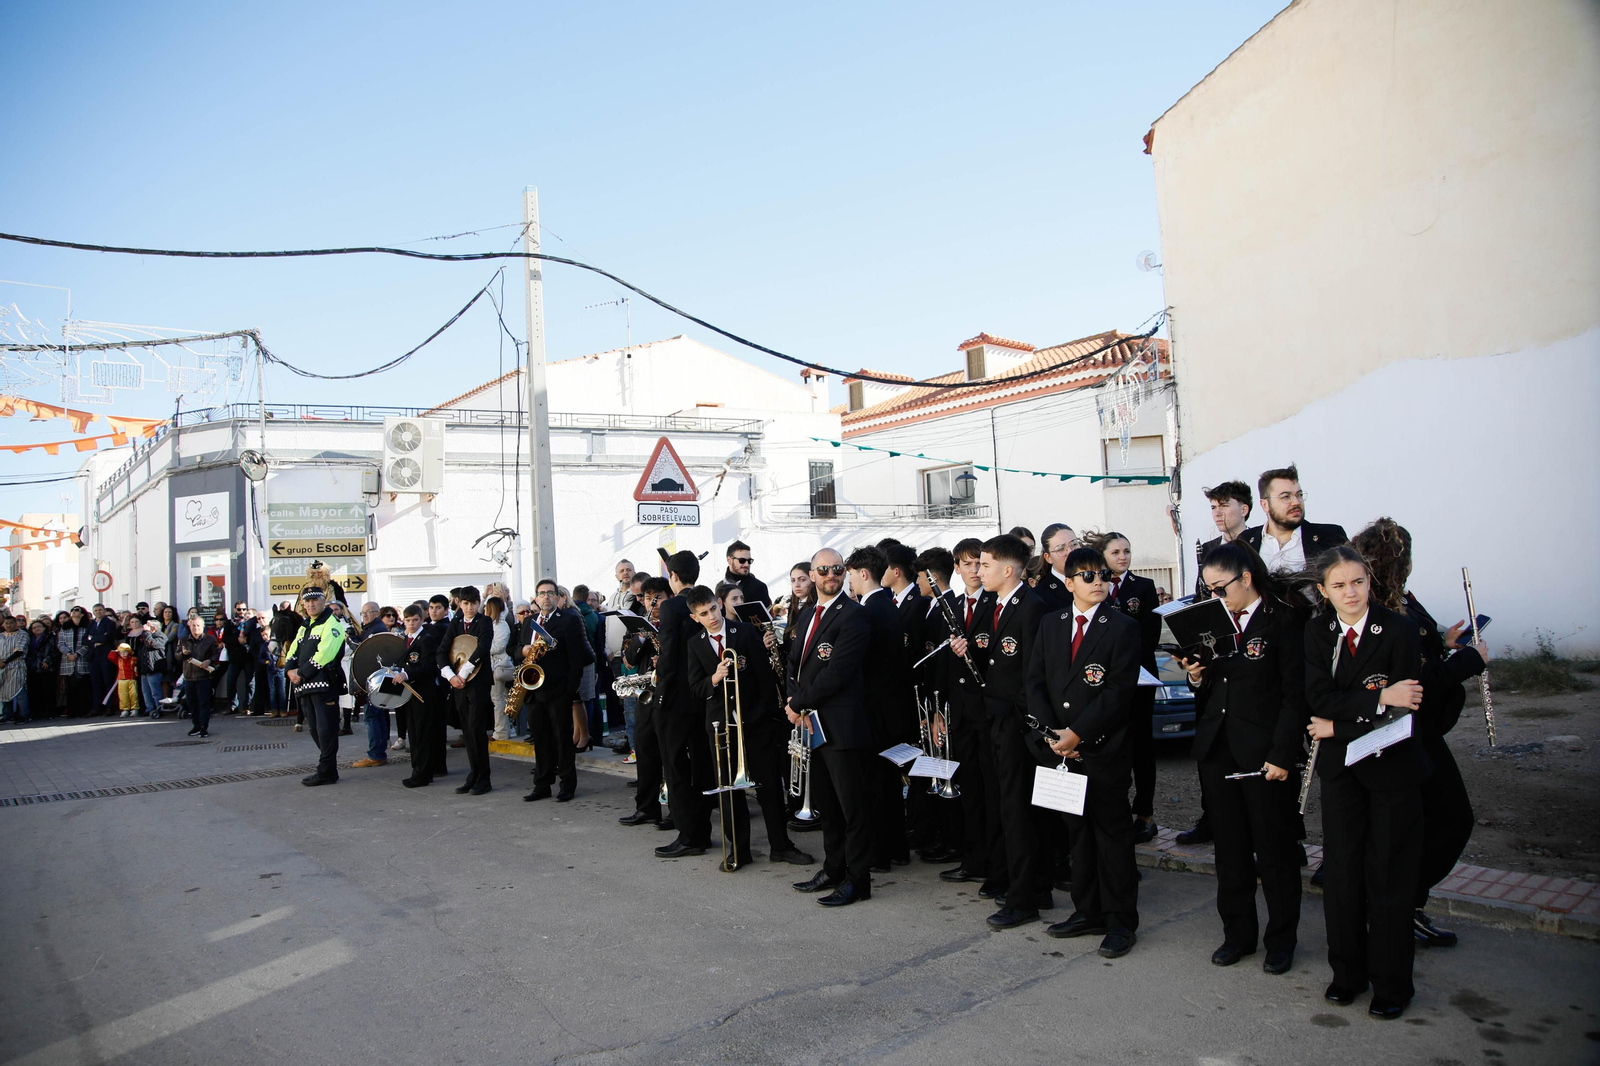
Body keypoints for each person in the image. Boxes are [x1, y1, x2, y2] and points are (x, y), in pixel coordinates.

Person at [1352, 518, 1487, 950]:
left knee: (1424, 823)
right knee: (1451, 819)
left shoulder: (1401, 600)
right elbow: (1417, 681)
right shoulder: (1385, 610)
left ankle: (1404, 903)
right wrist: (1467, 661)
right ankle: (1399, 904)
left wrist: (1447, 641)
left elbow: (1423, 649)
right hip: (1408, 733)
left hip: (1420, 732)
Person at [1304, 545, 1426, 1020]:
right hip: (1342, 773)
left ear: (1369, 581)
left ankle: (1392, 985)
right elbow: (1316, 697)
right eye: (1338, 585)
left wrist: (1340, 723)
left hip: (1392, 768)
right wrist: (1376, 698)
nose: (1350, 593)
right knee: (1343, 876)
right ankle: (1347, 974)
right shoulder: (1317, 632)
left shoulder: (1399, 630)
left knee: (1389, 878)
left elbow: (1408, 705)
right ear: (1323, 590)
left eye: (1357, 582)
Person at [1179, 541, 1308, 974]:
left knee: (1274, 851)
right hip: (1218, 749)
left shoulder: (1285, 622)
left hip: (1265, 755)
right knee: (1229, 851)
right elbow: (1215, 687)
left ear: (1246, 578)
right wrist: (1197, 676)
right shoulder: (1215, 623)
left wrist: (1283, 754)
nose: (1215, 597)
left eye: (1220, 588)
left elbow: (1295, 697)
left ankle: (1281, 941)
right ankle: (1238, 935)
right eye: (1209, 589)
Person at [1026, 544, 1143, 958]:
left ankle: (1120, 920)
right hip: (1059, 749)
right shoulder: (1051, 623)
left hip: (1102, 749)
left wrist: (1078, 733)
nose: (1099, 582)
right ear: (1069, 581)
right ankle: (1087, 910)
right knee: (1078, 835)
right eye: (1088, 576)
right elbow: (1035, 681)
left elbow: (1118, 692)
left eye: (1104, 576)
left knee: (1111, 835)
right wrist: (1053, 735)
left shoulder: (1122, 627)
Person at [952, 533, 1051, 929]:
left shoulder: (1032, 608)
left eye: (986, 565)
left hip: (1017, 723)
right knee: (1010, 807)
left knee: (1019, 811)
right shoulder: (996, 604)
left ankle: (1024, 896)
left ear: (1008, 570)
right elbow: (997, 660)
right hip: (995, 717)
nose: (978, 571)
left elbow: (1034, 673)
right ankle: (1028, 884)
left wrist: (1024, 721)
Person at [684, 584, 813, 871]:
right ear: (696, 618)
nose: (712, 617)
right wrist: (715, 678)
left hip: (754, 722)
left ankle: (781, 846)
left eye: (714, 609)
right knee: (730, 791)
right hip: (721, 728)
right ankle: (739, 850)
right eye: (704, 614)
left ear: (719, 604)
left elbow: (765, 678)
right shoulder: (695, 644)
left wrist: (767, 716)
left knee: (769, 787)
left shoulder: (743, 632)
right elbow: (694, 689)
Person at [786, 548, 875, 907]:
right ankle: (834, 868)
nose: (830, 574)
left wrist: (797, 703)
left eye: (837, 569)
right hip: (812, 724)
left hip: (841, 725)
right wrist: (796, 703)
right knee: (827, 804)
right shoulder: (808, 614)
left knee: (852, 807)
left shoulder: (853, 615)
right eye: (823, 569)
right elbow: (794, 664)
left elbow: (838, 671)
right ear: (812, 573)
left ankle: (858, 880)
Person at [933, 538, 1001, 890]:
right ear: (956, 569)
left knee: (993, 793)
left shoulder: (996, 603)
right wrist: (940, 713)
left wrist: (973, 647)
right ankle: (973, 859)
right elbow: (946, 665)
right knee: (969, 791)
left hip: (988, 713)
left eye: (979, 563)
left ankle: (995, 865)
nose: (974, 570)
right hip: (960, 713)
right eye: (967, 564)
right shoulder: (952, 605)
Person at [1091, 532, 1162, 845]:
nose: (1123, 557)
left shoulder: (1142, 588)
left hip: (1139, 679)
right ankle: (1113, 808)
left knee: (1142, 747)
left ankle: (1144, 813)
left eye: (1127, 551)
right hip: (1103, 682)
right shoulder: (1095, 586)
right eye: (1116, 552)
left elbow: (1149, 635)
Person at [846, 544, 914, 871]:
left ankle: (880, 853)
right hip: (891, 706)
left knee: (875, 784)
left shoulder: (869, 610)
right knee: (888, 781)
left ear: (862, 573)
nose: (848, 582)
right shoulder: (887, 604)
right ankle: (897, 847)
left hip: (875, 709)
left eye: (849, 574)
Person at [651, 552, 717, 856]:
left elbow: (668, 656)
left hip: (676, 699)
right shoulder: (709, 602)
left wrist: (660, 692)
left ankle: (688, 835)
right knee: (702, 766)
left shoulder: (672, 605)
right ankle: (702, 831)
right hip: (705, 694)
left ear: (673, 576)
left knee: (675, 766)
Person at [521, 578, 594, 803]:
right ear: (536, 597)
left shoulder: (568, 620)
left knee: (562, 739)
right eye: (541, 593)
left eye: (550, 593)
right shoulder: (529, 621)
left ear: (557, 597)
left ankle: (566, 785)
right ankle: (542, 784)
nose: (546, 597)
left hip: (558, 689)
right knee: (540, 739)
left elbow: (577, 658)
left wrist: (569, 689)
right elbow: (515, 650)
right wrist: (522, 650)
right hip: (533, 689)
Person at [618, 577, 671, 827]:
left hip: (669, 696)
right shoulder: (639, 624)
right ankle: (646, 808)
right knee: (646, 753)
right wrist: (641, 636)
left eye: (657, 597)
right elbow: (628, 658)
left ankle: (675, 810)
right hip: (645, 696)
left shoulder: (675, 622)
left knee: (671, 757)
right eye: (648, 597)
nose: (652, 602)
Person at [285, 587, 348, 786]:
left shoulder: (332, 623)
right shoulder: (305, 625)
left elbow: (325, 654)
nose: (311, 604)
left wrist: (300, 673)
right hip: (305, 686)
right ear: (303, 604)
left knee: (326, 729)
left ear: (324, 601)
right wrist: (289, 669)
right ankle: (328, 768)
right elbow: (293, 649)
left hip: (324, 685)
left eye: (315, 600)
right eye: (308, 601)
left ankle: (326, 770)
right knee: (313, 728)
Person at [439, 585, 496, 795]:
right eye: (466, 603)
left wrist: (462, 674)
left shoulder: (485, 622)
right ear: (459, 604)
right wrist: (450, 676)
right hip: (458, 685)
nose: (470, 607)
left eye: (473, 603)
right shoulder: (455, 623)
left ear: (479, 603)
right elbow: (442, 651)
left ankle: (484, 778)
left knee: (476, 729)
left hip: (478, 683)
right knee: (467, 730)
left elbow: (483, 647)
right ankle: (473, 775)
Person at [1241, 465, 1348, 574]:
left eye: (1299, 495)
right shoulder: (1245, 542)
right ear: (1265, 505)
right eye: (1286, 497)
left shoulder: (1331, 536)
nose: (1296, 502)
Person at [396, 604, 444, 787]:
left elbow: (428, 666)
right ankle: (418, 769)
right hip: (410, 692)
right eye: (408, 620)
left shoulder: (426, 639)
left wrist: (407, 674)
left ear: (422, 619)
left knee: (423, 734)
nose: (411, 623)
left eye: (415, 620)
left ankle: (422, 773)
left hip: (423, 692)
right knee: (414, 733)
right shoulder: (406, 639)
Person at [175, 616, 221, 737]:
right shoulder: (184, 640)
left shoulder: (209, 640)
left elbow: (216, 654)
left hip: (204, 677)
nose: (195, 628)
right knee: (191, 703)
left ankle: (203, 727)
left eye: (198, 625)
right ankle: (196, 725)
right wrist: (183, 654)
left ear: (203, 627)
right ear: (189, 626)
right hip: (189, 677)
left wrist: (209, 661)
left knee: (204, 703)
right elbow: (177, 655)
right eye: (193, 625)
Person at [484, 596, 515, 742]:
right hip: (496, 664)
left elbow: (499, 646)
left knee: (498, 699)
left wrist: (482, 647)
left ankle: (501, 731)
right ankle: (507, 729)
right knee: (501, 698)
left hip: (499, 665)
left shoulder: (500, 625)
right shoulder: (496, 624)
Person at [1033, 524, 1080, 611]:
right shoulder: (1039, 596)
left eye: (1074, 544)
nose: (1070, 551)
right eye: (1061, 549)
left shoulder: (1094, 581)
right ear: (1048, 557)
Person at [57, 606, 93, 718]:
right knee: (70, 687)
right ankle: (72, 710)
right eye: (72, 610)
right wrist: (68, 654)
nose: (74, 612)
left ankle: (83, 710)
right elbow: (60, 643)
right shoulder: (65, 627)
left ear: (82, 614)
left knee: (83, 687)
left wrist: (78, 654)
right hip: (68, 660)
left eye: (77, 610)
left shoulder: (87, 627)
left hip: (82, 659)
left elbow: (88, 643)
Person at [25, 619, 58, 721]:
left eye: (39, 626)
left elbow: (55, 651)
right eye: (34, 627)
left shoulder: (51, 637)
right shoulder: (29, 639)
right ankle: (36, 712)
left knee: (47, 691)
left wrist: (48, 661)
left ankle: (48, 711)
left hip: (46, 667)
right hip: (32, 668)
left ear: (44, 628)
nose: (37, 629)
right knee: (34, 691)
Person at [724, 540, 771, 607]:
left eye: (749, 561)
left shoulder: (759, 588)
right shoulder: (720, 586)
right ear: (729, 560)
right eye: (742, 560)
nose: (746, 564)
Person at [138, 620, 169, 718]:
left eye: (147, 627)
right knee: (146, 691)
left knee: (155, 691)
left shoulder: (161, 636)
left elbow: (152, 644)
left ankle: (159, 709)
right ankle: (149, 709)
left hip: (154, 668)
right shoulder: (146, 636)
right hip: (145, 669)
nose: (144, 629)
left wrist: (147, 633)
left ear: (154, 628)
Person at [0, 614, 27, 723]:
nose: (9, 625)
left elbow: (20, 650)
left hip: (16, 665)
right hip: (2, 667)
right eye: (6, 623)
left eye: (11, 623)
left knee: (19, 691)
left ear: (15, 623)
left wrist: (6, 661)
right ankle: (7, 715)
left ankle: (24, 714)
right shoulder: (1, 636)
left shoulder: (22, 634)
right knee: (4, 692)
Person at [109, 641, 140, 717]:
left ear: (129, 652)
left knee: (133, 695)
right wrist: (116, 651)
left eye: (125, 652)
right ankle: (125, 709)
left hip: (132, 679)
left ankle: (135, 709)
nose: (123, 654)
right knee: (123, 695)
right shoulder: (118, 660)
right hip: (121, 680)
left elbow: (138, 663)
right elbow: (110, 657)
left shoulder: (133, 659)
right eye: (121, 652)